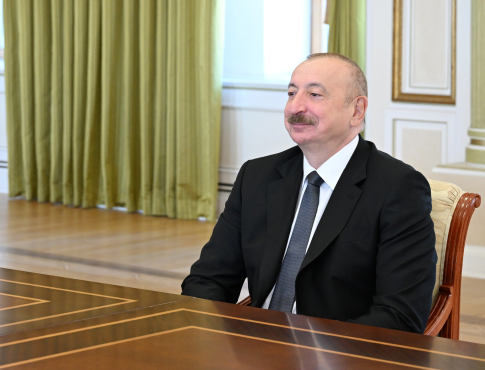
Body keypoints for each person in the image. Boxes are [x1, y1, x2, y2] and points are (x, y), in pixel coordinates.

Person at [181, 53, 436, 333]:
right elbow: (209, 280)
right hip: (253, 345)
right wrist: (206, 337)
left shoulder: (398, 188)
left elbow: (400, 316)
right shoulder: (257, 176)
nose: (295, 106)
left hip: (338, 352)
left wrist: (313, 350)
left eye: (314, 94)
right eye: (291, 93)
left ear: (357, 110)